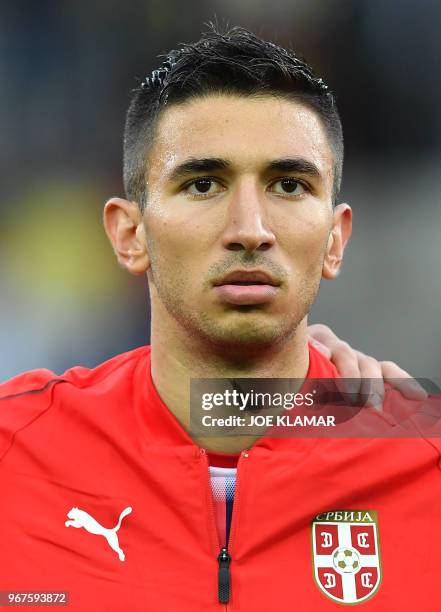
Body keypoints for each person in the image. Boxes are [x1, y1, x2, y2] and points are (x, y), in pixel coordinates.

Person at [0, 25, 439, 611]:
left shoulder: (424, 469)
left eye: (288, 184)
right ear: (130, 234)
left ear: (335, 240)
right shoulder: (15, 457)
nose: (250, 231)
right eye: (203, 183)